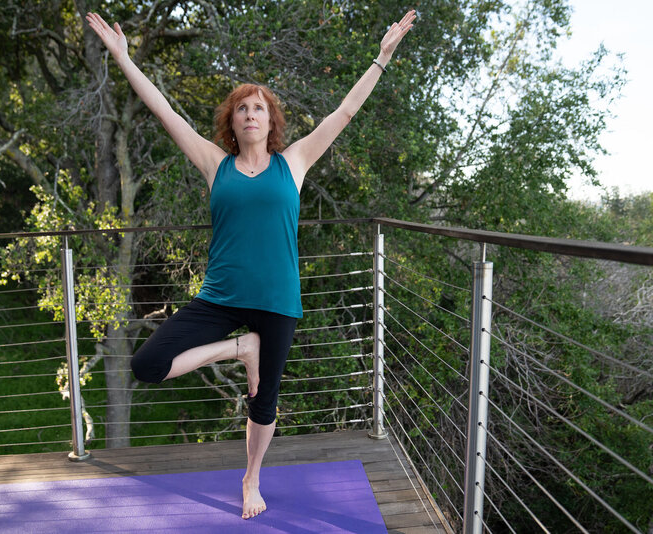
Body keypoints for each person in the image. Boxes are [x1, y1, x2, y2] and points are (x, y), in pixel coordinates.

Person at [85, 8, 416, 520]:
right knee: (146, 365)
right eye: (242, 109)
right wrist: (125, 59)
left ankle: (251, 478)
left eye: (259, 108)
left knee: (265, 401)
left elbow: (344, 113)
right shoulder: (214, 164)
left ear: (271, 120)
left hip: (278, 300)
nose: (251, 114)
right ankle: (240, 348)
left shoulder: (296, 162)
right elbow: (165, 111)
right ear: (232, 122)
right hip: (220, 297)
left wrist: (381, 59)